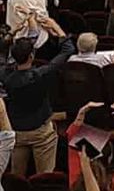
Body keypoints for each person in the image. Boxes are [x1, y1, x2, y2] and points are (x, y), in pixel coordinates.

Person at [2, 17, 74, 175]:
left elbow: (1, 53)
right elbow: (67, 51)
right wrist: (56, 28)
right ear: (31, 57)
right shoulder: (41, 74)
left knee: (16, 176)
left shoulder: (5, 75)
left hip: (17, 131)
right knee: (45, 175)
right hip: (41, 132)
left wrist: (11, 33)